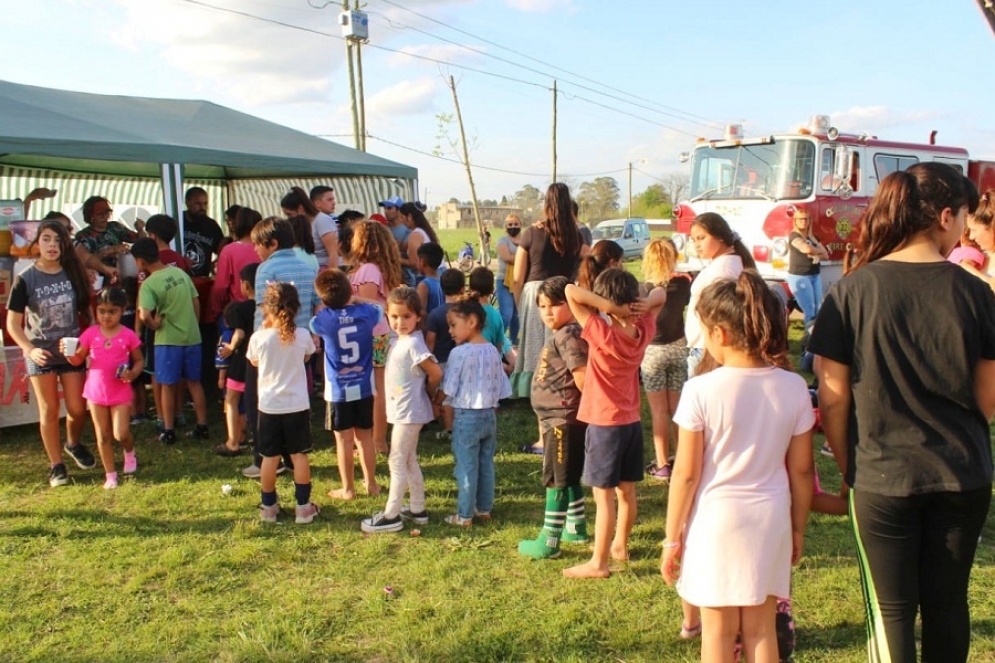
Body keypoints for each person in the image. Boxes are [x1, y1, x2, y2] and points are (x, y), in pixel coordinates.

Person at [811, 163, 993, 663]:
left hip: (880, 475)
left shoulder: (850, 292)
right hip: (962, 472)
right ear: (946, 216)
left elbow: (832, 397)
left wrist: (849, 466)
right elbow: (989, 400)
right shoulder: (977, 293)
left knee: (891, 611)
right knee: (948, 603)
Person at [659, 270, 814, 661]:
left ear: (720, 335)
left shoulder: (700, 390)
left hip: (716, 522)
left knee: (718, 632)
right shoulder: (794, 387)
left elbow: (687, 473)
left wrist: (671, 539)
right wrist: (797, 527)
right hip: (771, 518)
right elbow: (800, 471)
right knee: (762, 628)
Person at [561, 269, 665, 579]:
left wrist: (609, 308)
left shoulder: (601, 332)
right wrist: (643, 304)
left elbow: (570, 291)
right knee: (626, 492)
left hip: (605, 424)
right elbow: (660, 293)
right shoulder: (643, 328)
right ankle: (620, 545)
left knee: (603, 496)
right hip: (631, 422)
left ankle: (599, 562)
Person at [6, 219, 96, 487]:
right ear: (37, 242)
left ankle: (73, 443)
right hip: (40, 353)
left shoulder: (73, 272)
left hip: (71, 352)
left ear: (65, 244)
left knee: (78, 408)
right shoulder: (25, 278)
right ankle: (56, 466)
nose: (52, 245)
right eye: (46, 239)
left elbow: (87, 312)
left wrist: (85, 343)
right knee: (48, 409)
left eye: (58, 240)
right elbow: (13, 323)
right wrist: (30, 350)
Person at [242, 217, 320, 478]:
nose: (255, 250)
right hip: (301, 345)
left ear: (272, 243)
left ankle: (264, 458)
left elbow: (261, 311)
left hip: (271, 346)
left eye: (257, 245)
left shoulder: (266, 269)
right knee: (296, 399)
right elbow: (315, 305)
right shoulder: (309, 267)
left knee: (260, 404)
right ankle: (292, 454)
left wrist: (257, 344)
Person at [518, 276, 589, 560]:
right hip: (554, 420)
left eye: (555, 305)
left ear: (571, 303)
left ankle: (549, 540)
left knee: (556, 479)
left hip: (563, 420)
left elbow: (582, 377)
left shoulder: (570, 335)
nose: (547, 312)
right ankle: (576, 526)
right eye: (542, 306)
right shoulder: (561, 332)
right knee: (568, 475)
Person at [361, 286, 443, 533]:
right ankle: (417, 508)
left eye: (406, 316)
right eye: (394, 316)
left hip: (409, 413)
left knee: (397, 460)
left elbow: (436, 372)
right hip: (403, 411)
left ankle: (392, 514)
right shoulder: (401, 341)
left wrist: (431, 394)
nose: (400, 322)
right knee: (408, 459)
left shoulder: (414, 345)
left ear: (418, 316)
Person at [247, 282, 319, 524]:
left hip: (269, 405)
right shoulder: (303, 336)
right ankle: (303, 506)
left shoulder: (259, 338)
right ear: (296, 308)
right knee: (299, 455)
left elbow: (255, 362)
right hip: (296, 404)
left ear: (267, 308)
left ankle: (268, 506)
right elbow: (308, 356)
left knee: (270, 457)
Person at [437, 299, 512, 526]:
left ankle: (464, 515)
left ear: (471, 322)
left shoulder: (459, 354)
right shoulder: (492, 350)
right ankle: (484, 508)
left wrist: (436, 400)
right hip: (489, 415)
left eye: (453, 325)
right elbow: (502, 386)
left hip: (466, 417)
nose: (450, 331)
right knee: (485, 463)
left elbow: (449, 387)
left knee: (466, 466)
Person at [310, 269, 384, 500]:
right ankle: (371, 484)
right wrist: (357, 299)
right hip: (363, 385)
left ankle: (348, 489)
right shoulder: (366, 313)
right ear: (350, 290)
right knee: (365, 437)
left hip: (338, 390)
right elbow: (381, 307)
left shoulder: (324, 319)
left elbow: (313, 324)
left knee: (343, 441)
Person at [61, 287, 144, 490]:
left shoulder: (128, 335)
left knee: (121, 433)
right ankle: (110, 475)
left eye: (112, 311)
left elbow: (139, 360)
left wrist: (133, 373)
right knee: (103, 435)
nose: (106, 316)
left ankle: (129, 452)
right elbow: (78, 359)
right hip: (96, 392)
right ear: (96, 310)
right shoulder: (90, 334)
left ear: (123, 310)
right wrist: (68, 354)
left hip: (120, 392)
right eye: (102, 311)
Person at [511, 183, 586, 399]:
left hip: (536, 293)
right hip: (563, 293)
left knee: (535, 345)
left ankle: (533, 387)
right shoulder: (577, 237)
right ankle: (561, 383)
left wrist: (519, 303)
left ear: (546, 204)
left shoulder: (532, 233)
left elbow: (517, 277)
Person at [132, 237, 210, 443]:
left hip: (167, 340)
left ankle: (168, 429)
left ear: (139, 261)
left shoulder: (149, 283)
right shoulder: (180, 273)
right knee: (194, 382)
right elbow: (196, 302)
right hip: (192, 336)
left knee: (167, 384)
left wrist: (154, 325)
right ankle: (202, 424)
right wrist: (194, 323)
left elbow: (144, 314)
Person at [349, 221, 403, 455]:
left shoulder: (369, 270)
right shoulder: (380, 269)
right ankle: (375, 439)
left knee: (377, 389)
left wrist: (352, 299)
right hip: (381, 335)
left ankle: (377, 440)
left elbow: (372, 306)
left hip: (373, 335)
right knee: (378, 387)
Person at [640, 238, 692, 481]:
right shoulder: (683, 285)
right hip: (678, 347)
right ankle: (682, 458)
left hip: (652, 350)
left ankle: (662, 464)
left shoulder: (643, 289)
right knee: (678, 410)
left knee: (659, 411)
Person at [684, 212, 756, 377]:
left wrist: (712, 351)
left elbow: (721, 314)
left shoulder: (723, 269)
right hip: (706, 346)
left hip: (710, 350)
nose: (696, 245)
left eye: (701, 238)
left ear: (720, 236)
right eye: (694, 240)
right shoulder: (724, 263)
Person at [214, 263, 258, 457]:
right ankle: (257, 439)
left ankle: (233, 441)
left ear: (246, 285)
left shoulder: (239, 309)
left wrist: (231, 347)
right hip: (261, 361)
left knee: (231, 400)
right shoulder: (266, 308)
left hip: (241, 361)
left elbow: (239, 333)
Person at [424, 268, 466, 438]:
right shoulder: (466, 312)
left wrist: (428, 363)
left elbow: (430, 341)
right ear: (463, 288)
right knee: (462, 392)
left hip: (442, 361)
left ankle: (449, 429)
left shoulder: (435, 314)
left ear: (441, 289)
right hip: (463, 358)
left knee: (447, 395)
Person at [73, 196, 144, 284]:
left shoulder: (115, 227)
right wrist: (111, 250)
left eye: (107, 213)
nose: (105, 217)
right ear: (91, 216)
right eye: (100, 214)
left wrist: (140, 230)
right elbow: (86, 262)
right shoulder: (83, 236)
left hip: (121, 275)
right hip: (98, 280)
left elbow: (140, 241)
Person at [210, 206, 261, 322]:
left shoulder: (229, 250)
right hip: (263, 309)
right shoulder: (265, 249)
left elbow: (220, 287)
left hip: (237, 313)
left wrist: (217, 310)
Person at [785, 205, 829, 328]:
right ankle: (808, 343)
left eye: (807, 219)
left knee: (818, 308)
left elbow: (826, 255)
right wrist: (816, 251)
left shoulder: (813, 237)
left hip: (815, 275)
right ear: (795, 221)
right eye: (801, 219)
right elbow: (805, 248)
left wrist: (814, 252)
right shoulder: (794, 236)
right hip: (799, 276)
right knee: (809, 310)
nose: (804, 221)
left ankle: (815, 339)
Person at [468, 267, 516, 373]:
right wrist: (506, 363)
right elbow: (500, 345)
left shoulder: (466, 312)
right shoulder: (495, 315)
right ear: (492, 289)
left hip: (470, 366)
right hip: (492, 368)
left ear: (470, 288)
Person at [282, 187, 337, 271]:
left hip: (323, 270)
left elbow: (333, 253)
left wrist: (331, 276)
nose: (288, 218)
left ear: (300, 209)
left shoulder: (322, 221)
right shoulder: (300, 224)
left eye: (289, 214)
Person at [181, 187, 224, 278]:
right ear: (188, 202)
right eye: (198, 203)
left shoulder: (212, 226)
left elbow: (222, 249)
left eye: (205, 203)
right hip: (179, 278)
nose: (202, 208)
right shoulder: (178, 221)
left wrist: (216, 263)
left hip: (202, 280)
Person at [495, 213, 522, 346]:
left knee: (517, 315)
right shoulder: (502, 241)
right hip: (504, 280)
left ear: (520, 225)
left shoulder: (524, 240)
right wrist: (524, 256)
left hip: (520, 280)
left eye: (516, 224)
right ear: (505, 227)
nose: (513, 227)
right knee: (506, 314)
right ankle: (498, 340)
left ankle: (513, 342)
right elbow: (507, 257)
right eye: (510, 224)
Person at [397, 202, 439, 277]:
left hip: (428, 275)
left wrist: (397, 260)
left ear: (409, 216)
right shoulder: (424, 231)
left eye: (401, 217)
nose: (400, 221)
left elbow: (414, 263)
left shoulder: (415, 234)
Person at [965, 189, 995, 290]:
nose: (971, 237)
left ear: (991, 227)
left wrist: (967, 269)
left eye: (974, 230)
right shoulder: (981, 254)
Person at [309, 185, 340, 268]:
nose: (334, 203)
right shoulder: (323, 219)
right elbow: (333, 253)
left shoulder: (323, 219)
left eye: (333, 199)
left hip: (324, 268)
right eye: (329, 200)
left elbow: (333, 253)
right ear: (317, 203)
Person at [414, 242, 445, 314]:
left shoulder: (424, 285)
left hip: (430, 324)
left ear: (422, 261)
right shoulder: (443, 281)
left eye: (417, 260)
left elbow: (421, 312)